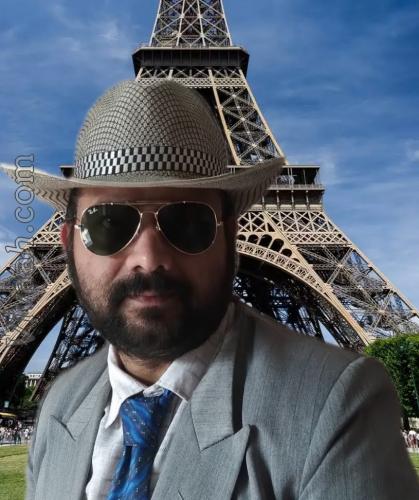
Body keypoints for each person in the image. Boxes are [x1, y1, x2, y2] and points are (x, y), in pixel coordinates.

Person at [1, 80, 418, 499]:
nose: (148, 257)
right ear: (68, 243)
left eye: (188, 223)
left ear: (230, 235)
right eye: (108, 224)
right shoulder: (59, 406)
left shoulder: (336, 404)